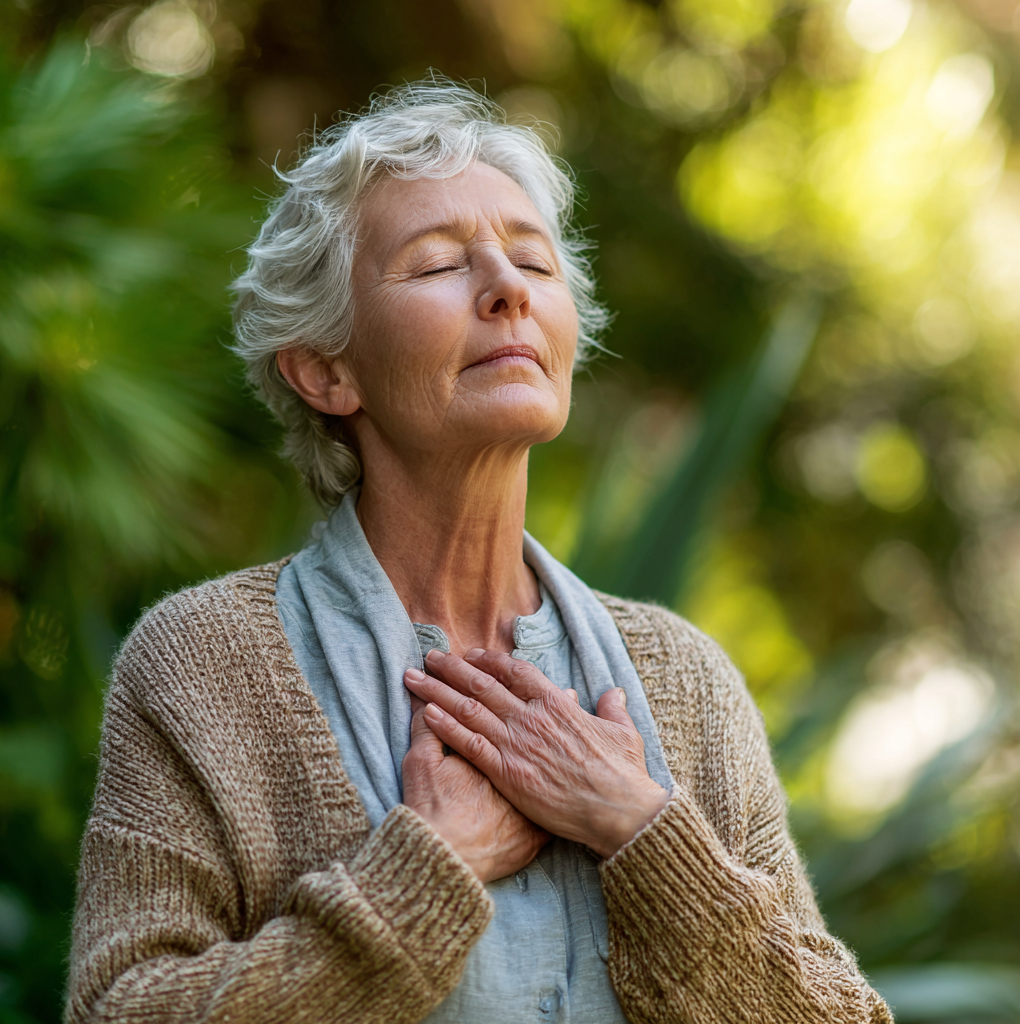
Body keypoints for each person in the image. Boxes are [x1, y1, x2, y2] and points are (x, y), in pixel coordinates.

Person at [66, 80, 892, 1024]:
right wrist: (430, 871)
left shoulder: (687, 682)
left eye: (533, 261)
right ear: (326, 369)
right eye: (434, 266)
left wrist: (642, 830)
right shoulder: (206, 665)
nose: (507, 289)